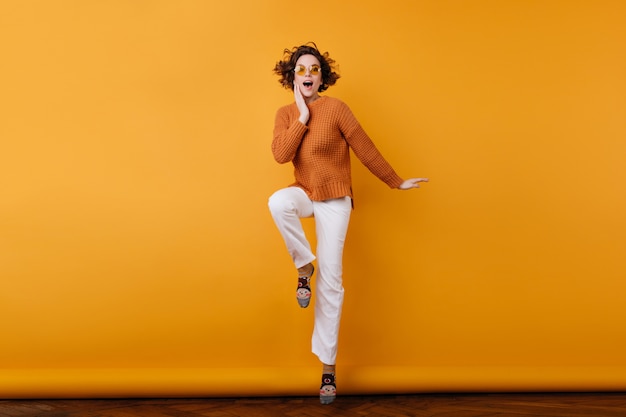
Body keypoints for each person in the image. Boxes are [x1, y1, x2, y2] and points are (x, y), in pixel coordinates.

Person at [268, 42, 428, 404]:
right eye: (302, 70)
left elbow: (364, 146)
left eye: (314, 70)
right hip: (305, 192)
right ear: (293, 76)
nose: (308, 75)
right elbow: (281, 155)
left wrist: (395, 180)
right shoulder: (285, 114)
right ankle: (303, 266)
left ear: (322, 76)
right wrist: (302, 117)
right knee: (278, 202)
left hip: (336, 198)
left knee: (333, 279)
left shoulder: (337, 108)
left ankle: (327, 368)